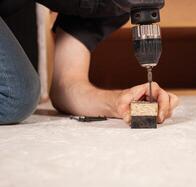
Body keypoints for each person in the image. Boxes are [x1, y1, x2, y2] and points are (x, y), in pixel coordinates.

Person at [0, 0, 179, 125]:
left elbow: (65, 84)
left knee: (19, 89)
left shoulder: (116, 5)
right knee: (16, 96)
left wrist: (119, 103)